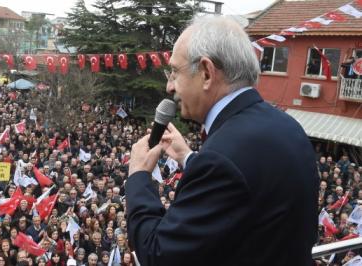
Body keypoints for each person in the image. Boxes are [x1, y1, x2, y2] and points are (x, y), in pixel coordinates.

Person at [125, 16, 319, 266]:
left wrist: (138, 177)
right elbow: (247, 191)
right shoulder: (287, 126)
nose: (169, 86)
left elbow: (158, 254)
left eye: (174, 72)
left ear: (206, 73)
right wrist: (189, 158)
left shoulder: (222, 158)